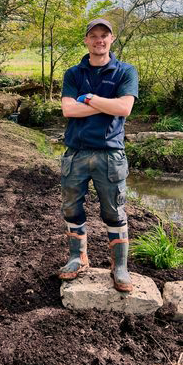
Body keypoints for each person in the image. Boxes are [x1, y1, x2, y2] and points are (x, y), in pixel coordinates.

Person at [59, 19, 138, 292]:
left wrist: (88, 98)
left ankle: (120, 268)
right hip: (76, 152)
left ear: (112, 39)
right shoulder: (73, 73)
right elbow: (68, 110)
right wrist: (107, 105)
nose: (99, 40)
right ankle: (77, 258)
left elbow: (125, 108)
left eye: (104, 35)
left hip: (110, 154)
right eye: (94, 36)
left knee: (114, 211)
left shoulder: (125, 72)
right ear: (86, 40)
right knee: (71, 208)